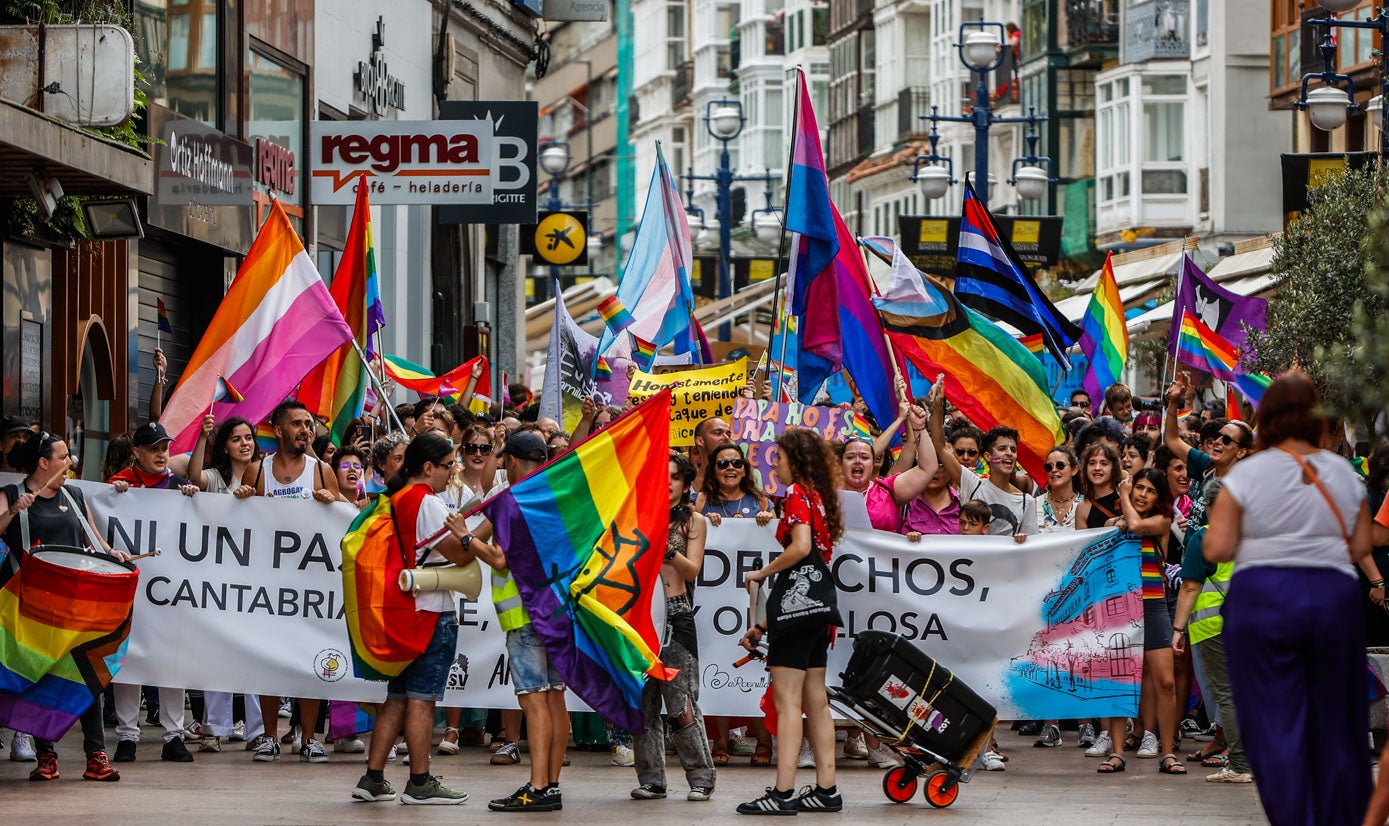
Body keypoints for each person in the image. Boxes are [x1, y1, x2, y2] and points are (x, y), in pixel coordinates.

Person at [1204, 373, 1380, 824]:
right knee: (1337, 716)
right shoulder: (1342, 471)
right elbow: (1361, 543)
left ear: (1266, 418)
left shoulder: (1248, 473)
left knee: (1270, 718)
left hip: (1261, 597)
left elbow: (1217, 548)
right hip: (1331, 598)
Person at [446, 431, 568, 812]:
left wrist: (466, 538)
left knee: (533, 701)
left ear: (510, 461)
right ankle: (550, 786)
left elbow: (499, 559)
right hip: (556, 612)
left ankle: (536, 786)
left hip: (524, 613)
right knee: (554, 699)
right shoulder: (552, 495)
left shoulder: (512, 500)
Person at [351, 432, 473, 805]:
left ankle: (372, 779)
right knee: (422, 700)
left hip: (408, 610)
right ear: (428, 467)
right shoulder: (428, 503)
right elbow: (461, 555)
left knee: (398, 697)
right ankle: (419, 782)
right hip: (431, 611)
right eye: (449, 465)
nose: (453, 472)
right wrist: (473, 533)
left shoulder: (399, 498)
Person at [0, 431, 129, 782]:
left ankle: (96, 755)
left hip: (77, 608)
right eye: (63, 456)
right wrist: (13, 511)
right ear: (44, 463)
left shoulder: (73, 494)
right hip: (34, 609)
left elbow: (94, 539)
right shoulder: (12, 494)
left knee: (85, 676)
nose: (70, 461)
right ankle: (46, 757)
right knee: (40, 678)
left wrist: (112, 555)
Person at [737, 429, 844, 815]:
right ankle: (826, 789)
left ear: (794, 460)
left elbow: (800, 547)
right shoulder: (820, 497)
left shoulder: (798, 494)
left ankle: (782, 793)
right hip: (819, 613)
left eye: (778, 457)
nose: (773, 464)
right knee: (816, 702)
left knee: (787, 703)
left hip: (796, 613)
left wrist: (763, 573)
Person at [236, 400, 340, 764]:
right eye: (297, 423)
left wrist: (333, 499)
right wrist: (243, 500)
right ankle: (269, 736)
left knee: (307, 658)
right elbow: (240, 527)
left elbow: (344, 519)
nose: (306, 430)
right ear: (278, 431)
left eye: (309, 424)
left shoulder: (322, 470)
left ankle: (310, 737)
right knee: (270, 661)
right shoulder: (256, 470)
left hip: (310, 586)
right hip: (268, 585)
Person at [107, 422, 197, 765]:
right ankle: (127, 736)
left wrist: (192, 500)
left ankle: (174, 736)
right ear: (138, 452)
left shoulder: (178, 487)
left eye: (165, 448)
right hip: (130, 590)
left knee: (171, 660)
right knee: (127, 660)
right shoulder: (119, 487)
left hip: (170, 590)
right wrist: (111, 496)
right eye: (156, 448)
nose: (163, 454)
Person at [630, 454, 716, 802]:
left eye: (675, 477)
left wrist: (663, 547)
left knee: (680, 702)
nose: (667, 483)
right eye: (660, 476)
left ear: (685, 483)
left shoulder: (693, 522)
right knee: (643, 702)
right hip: (638, 615)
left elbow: (692, 570)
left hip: (676, 614)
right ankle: (651, 779)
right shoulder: (635, 517)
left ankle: (701, 777)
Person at [1104, 469, 1181, 777]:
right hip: (1121, 608)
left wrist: (1122, 494)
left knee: (1165, 681)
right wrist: (1118, 518)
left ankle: (1168, 752)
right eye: (1138, 488)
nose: (1142, 494)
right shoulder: (1116, 522)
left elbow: (1134, 525)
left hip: (1153, 607)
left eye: (1150, 490)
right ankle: (1118, 752)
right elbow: (1116, 526)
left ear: (1159, 497)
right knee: (1120, 681)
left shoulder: (1161, 522)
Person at [929, 381, 1037, 538]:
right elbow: (940, 446)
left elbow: (1032, 548)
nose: (1009, 454)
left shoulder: (1026, 502)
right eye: (1001, 449)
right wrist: (938, 407)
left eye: (1013, 450)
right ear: (987, 456)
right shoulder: (972, 483)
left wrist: (1023, 540)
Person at [695, 442, 773, 528]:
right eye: (723, 464)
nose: (730, 468)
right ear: (714, 472)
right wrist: (702, 521)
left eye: (737, 463)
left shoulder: (762, 503)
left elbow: (777, 538)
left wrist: (770, 522)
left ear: (744, 471)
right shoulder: (699, 501)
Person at [1036, 446, 1083, 533]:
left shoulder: (1087, 505)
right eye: (1048, 467)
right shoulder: (1033, 504)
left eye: (1060, 465)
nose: (1053, 470)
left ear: (1074, 470)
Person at [691, 417, 734, 493]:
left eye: (728, 434)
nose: (726, 437)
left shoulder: (740, 481)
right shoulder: (683, 481)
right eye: (718, 433)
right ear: (700, 441)